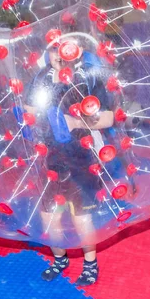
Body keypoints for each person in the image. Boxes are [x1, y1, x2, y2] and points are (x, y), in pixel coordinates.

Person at [22, 38, 114, 286]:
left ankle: (90, 263)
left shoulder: (89, 79)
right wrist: (28, 122)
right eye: (54, 48)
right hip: (49, 156)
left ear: (79, 51)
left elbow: (108, 117)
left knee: (80, 216)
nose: (60, 53)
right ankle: (60, 259)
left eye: (66, 47)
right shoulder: (41, 78)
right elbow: (29, 108)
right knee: (48, 215)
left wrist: (76, 123)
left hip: (80, 156)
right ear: (48, 52)